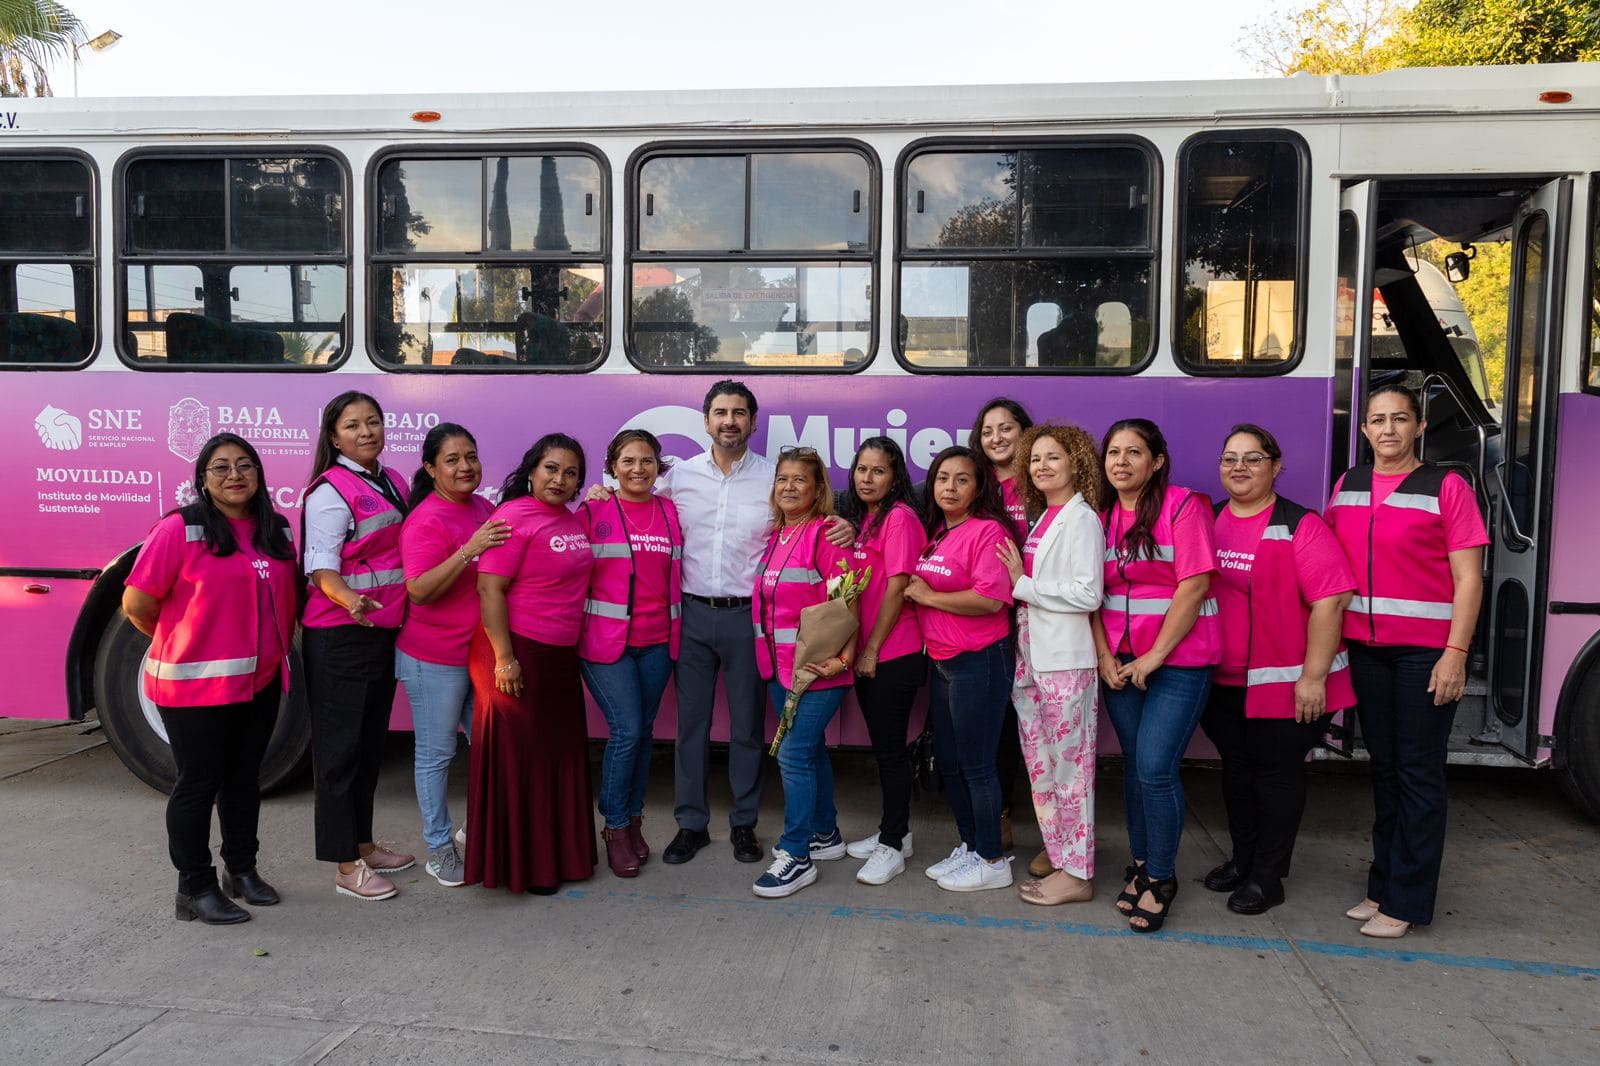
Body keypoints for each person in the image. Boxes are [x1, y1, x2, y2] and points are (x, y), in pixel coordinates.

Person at [639, 380, 851, 866]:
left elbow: (813, 519)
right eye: (720, 412)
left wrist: (848, 524)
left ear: (754, 422)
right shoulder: (678, 476)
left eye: (739, 412)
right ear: (706, 420)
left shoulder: (773, 479)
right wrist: (596, 492)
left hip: (749, 621)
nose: (729, 420)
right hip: (691, 614)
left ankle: (743, 824)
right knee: (690, 727)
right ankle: (690, 824)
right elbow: (631, 500)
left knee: (748, 729)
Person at [1325, 385, 1487, 939]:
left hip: (1425, 655)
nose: (1388, 429)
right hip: (1367, 651)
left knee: (1419, 775)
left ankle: (1408, 900)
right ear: (1365, 429)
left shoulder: (1447, 486)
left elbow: (1469, 579)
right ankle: (1383, 884)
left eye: (1400, 419)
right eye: (1377, 420)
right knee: (1386, 770)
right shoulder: (1347, 485)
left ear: (1420, 427)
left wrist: (1455, 655)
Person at [122, 433, 297, 924]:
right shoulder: (180, 529)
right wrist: (184, 638)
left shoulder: (275, 529)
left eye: (245, 465)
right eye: (220, 467)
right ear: (202, 479)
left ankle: (240, 870)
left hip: (258, 683)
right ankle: (193, 888)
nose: (234, 475)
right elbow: (136, 602)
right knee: (198, 783)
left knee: (244, 779)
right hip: (193, 685)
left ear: (259, 475)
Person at [1199, 424, 1356, 916]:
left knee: (1276, 779)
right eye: (1230, 459)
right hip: (1224, 682)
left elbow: (1331, 604)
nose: (1239, 468)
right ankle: (1242, 861)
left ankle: (1268, 877)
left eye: (1252, 458)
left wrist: (1312, 679)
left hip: (1286, 686)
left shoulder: (1300, 525)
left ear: (1275, 465)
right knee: (1237, 774)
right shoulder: (1212, 519)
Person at [1093, 417, 1219, 933]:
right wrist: (1105, 655)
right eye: (1114, 453)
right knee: (1134, 768)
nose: (1121, 462)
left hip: (1177, 662)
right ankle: (1142, 864)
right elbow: (1092, 595)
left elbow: (1194, 587)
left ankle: (1162, 878)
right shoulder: (1098, 516)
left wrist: (1152, 658)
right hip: (1119, 663)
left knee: (1154, 768)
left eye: (1134, 453)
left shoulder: (1184, 507)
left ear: (1157, 461)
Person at [468, 434, 598, 894]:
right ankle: (528, 867)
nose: (560, 480)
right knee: (525, 763)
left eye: (571, 473)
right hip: (517, 653)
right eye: (551, 469)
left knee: (555, 758)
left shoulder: (569, 518)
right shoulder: (512, 517)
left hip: (559, 655)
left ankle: (559, 858)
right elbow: (490, 589)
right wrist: (505, 659)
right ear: (531, 470)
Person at [302, 391, 415, 902]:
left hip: (379, 632)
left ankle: (364, 843)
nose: (366, 431)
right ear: (334, 436)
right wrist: (351, 601)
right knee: (340, 753)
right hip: (342, 635)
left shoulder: (390, 480)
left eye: (373, 422)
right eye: (353, 425)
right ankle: (346, 865)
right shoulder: (330, 491)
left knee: (370, 747)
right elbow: (321, 567)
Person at [396, 423, 509, 888]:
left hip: (476, 654)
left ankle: (473, 830)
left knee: (489, 747)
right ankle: (440, 848)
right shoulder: (426, 519)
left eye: (472, 456)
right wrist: (469, 550)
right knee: (437, 753)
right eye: (452, 459)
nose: (465, 467)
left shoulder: (482, 507)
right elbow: (419, 591)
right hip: (433, 657)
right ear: (431, 468)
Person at [996, 424, 1104, 906]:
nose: (1041, 466)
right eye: (1035, 458)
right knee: (1042, 770)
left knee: (1071, 772)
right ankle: (1061, 861)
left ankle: (1078, 874)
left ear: (1076, 462)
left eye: (1053, 457)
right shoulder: (1045, 517)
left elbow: (1088, 594)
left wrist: (1023, 584)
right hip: (1033, 660)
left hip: (1065, 665)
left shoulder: (1082, 519)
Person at [906, 446, 1017, 893]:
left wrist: (928, 597)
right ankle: (972, 845)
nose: (950, 487)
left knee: (976, 765)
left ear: (979, 487)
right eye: (942, 478)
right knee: (951, 762)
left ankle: (992, 858)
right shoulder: (939, 532)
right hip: (944, 661)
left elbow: (991, 599)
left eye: (962, 479)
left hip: (980, 662)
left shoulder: (987, 531)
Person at [749, 447, 859, 898]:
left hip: (818, 671)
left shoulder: (825, 535)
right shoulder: (778, 534)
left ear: (817, 490)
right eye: (783, 479)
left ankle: (797, 856)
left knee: (793, 755)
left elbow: (849, 602)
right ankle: (825, 834)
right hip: (781, 668)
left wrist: (843, 659)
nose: (790, 486)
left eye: (800, 480)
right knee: (809, 752)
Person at [575, 429, 684, 879]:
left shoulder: (670, 510)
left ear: (660, 466)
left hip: (658, 643)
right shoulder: (593, 509)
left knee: (642, 734)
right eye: (628, 461)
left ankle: (634, 822)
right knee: (626, 731)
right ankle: (615, 827)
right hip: (605, 645)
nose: (638, 469)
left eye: (646, 461)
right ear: (612, 466)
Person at [838, 437, 927, 886]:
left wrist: (871, 649)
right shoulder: (866, 519)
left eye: (878, 471)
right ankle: (898, 833)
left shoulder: (901, 519)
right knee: (883, 748)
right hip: (871, 653)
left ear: (895, 478)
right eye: (861, 469)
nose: (867, 478)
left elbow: (898, 587)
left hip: (893, 653)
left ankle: (892, 846)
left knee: (891, 753)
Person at [969, 398, 1032, 852]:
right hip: (982, 617)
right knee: (993, 720)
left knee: (1023, 721)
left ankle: (1022, 816)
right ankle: (998, 815)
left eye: (1006, 428)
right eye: (988, 430)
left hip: (1037, 615)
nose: (996, 438)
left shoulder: (1041, 481)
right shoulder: (973, 484)